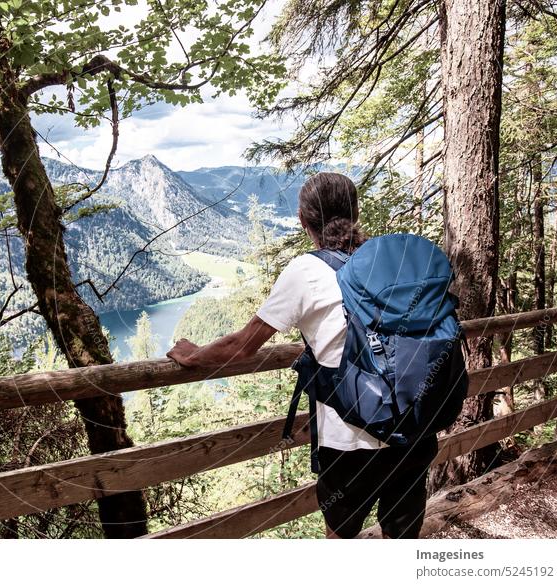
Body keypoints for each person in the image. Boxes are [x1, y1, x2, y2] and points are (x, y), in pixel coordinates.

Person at [166, 171, 438, 539]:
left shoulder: (306, 271)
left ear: (302, 220)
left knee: (339, 539)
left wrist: (194, 356)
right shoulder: (392, 260)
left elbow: (243, 345)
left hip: (350, 439)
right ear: (355, 212)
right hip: (413, 427)